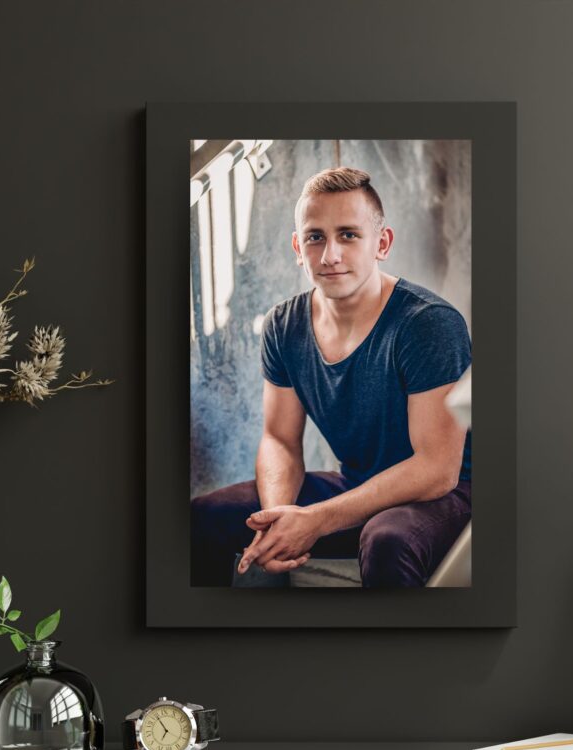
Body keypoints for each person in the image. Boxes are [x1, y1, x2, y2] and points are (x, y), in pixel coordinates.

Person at [190, 167, 471, 587]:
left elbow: (436, 469)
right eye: (315, 237)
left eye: (349, 235)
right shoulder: (284, 326)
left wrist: (315, 521)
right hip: (357, 485)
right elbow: (280, 439)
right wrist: (278, 518)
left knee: (388, 541)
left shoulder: (427, 323)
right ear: (297, 248)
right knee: (204, 517)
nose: (330, 255)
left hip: (446, 496)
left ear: (382, 243)